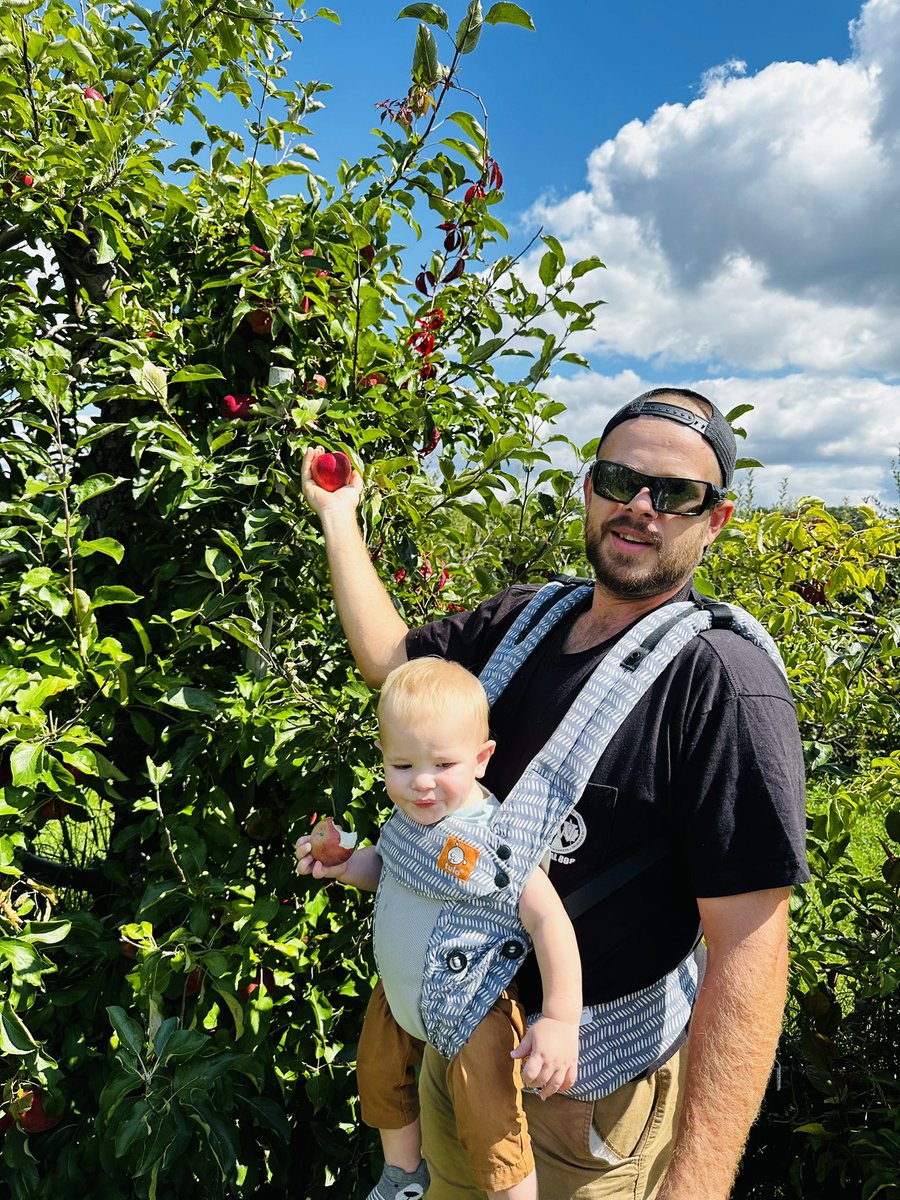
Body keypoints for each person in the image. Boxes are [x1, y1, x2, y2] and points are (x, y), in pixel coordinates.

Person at [297, 387, 809, 1200]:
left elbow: (749, 954)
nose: (640, 507)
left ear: (716, 519)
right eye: (618, 479)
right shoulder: (528, 618)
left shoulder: (721, 685)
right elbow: (392, 663)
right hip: (461, 1043)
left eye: (675, 493)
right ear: (588, 489)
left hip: (583, 1103)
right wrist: (336, 514)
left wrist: (699, 1184)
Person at [296, 656, 582, 1200]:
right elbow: (385, 868)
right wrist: (342, 864)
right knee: (380, 1076)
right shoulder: (408, 820)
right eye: (402, 766)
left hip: (471, 1004)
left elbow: (550, 922)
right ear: (383, 758)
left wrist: (562, 1020)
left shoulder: (495, 843)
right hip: (402, 994)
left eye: (442, 765)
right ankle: (404, 1176)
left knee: (490, 1119)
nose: (421, 783)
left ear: (481, 760)